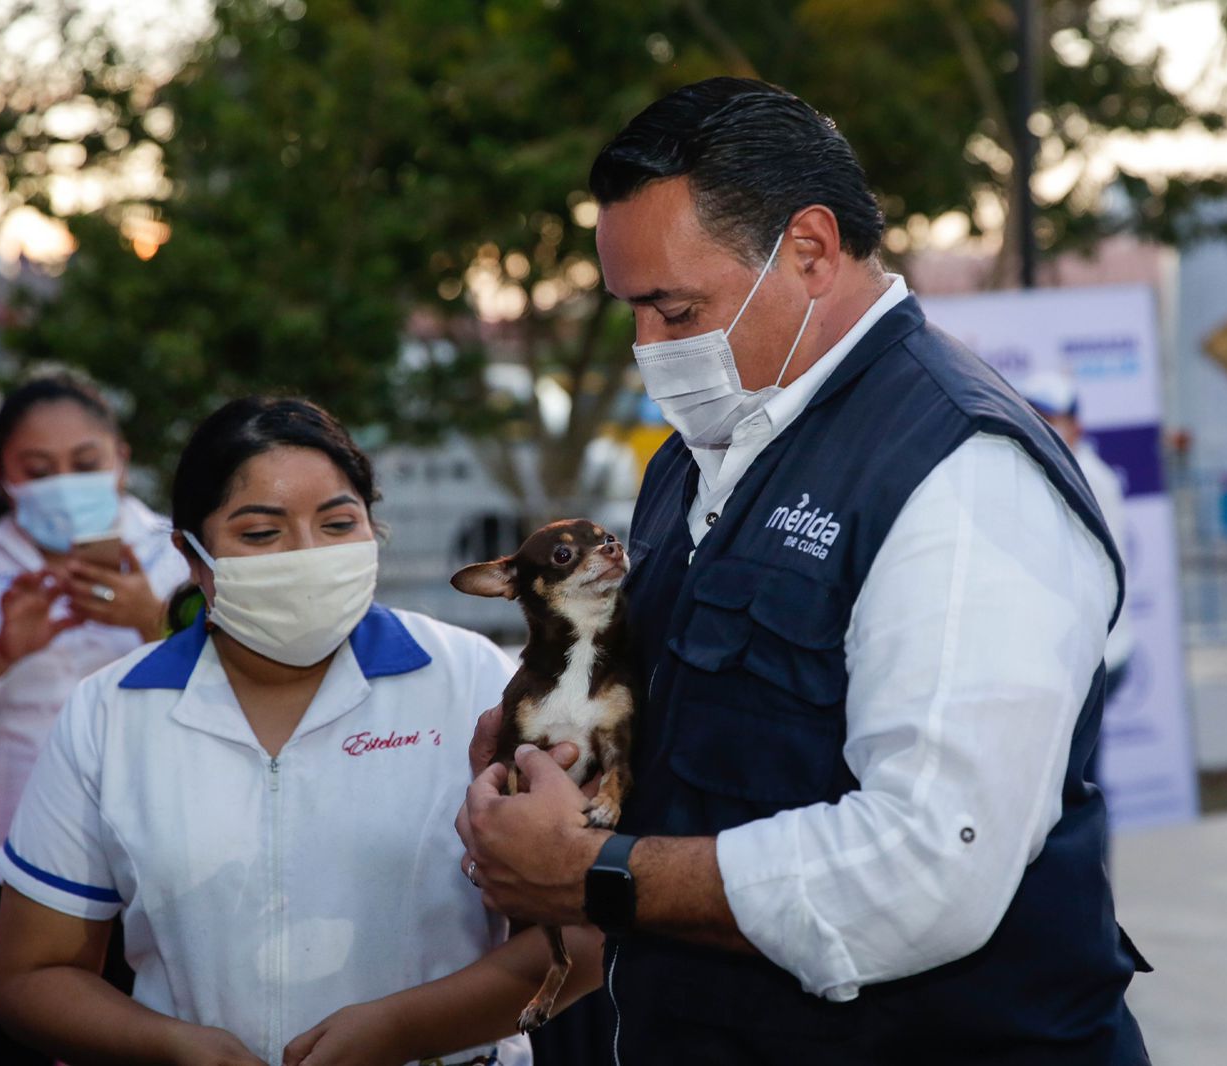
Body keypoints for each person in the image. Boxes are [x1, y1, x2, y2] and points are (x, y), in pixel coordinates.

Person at [457, 77, 1150, 1064]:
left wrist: (592, 870)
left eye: (673, 307)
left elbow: (924, 869)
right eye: (631, 311)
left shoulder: (960, 475)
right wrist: (551, 748)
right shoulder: (700, 454)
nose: (647, 346)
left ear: (812, 250)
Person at [0, 396, 602, 1066]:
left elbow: (588, 931)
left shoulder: (476, 685)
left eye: (338, 523)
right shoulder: (110, 714)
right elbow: (33, 976)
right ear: (192, 557)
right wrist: (173, 1046)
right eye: (260, 534)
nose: (307, 555)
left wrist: (404, 1030)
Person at [0, 368, 188, 1065]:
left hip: (150, 860)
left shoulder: (178, 556)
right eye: (38, 468)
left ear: (121, 461)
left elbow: (242, 691)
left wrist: (153, 622)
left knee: (147, 1040)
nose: (64, 482)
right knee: (8, 1036)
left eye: (85, 463)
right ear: (3, 476)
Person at [1020, 370, 1136, 714]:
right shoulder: (1059, 470)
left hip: (1092, 657)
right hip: (1087, 655)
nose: (1038, 425)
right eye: (1031, 414)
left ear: (1076, 427)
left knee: (1074, 764)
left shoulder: (1082, 477)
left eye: (1049, 417)